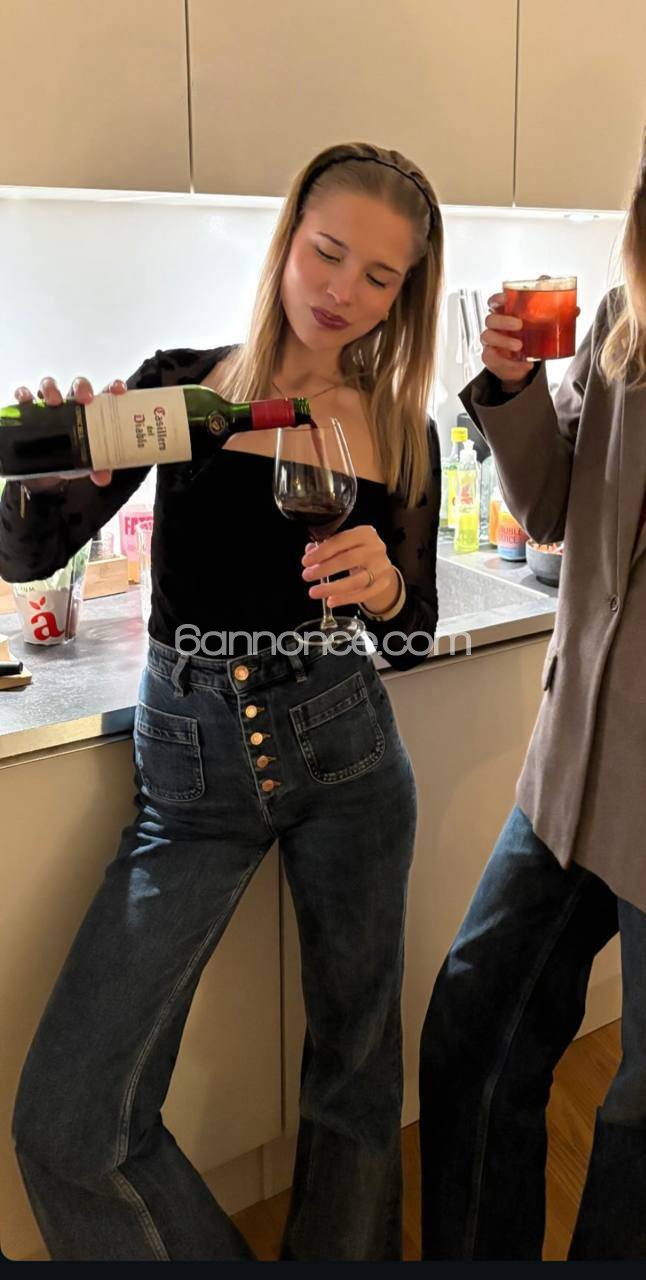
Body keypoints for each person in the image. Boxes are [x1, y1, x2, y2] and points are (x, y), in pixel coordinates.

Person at [2, 141, 443, 1262]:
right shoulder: (179, 390)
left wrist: (387, 587)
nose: (341, 291)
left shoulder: (400, 428)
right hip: (189, 768)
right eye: (327, 251)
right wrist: (46, 476)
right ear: (288, 238)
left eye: (378, 276)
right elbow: (26, 554)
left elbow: (411, 632)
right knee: (69, 1120)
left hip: (346, 750)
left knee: (355, 1073)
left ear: (404, 294)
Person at [419, 130, 646, 1261]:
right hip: (576, 764)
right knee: (473, 1034)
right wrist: (513, 388)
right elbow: (551, 507)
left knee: (641, 1119)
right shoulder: (620, 325)